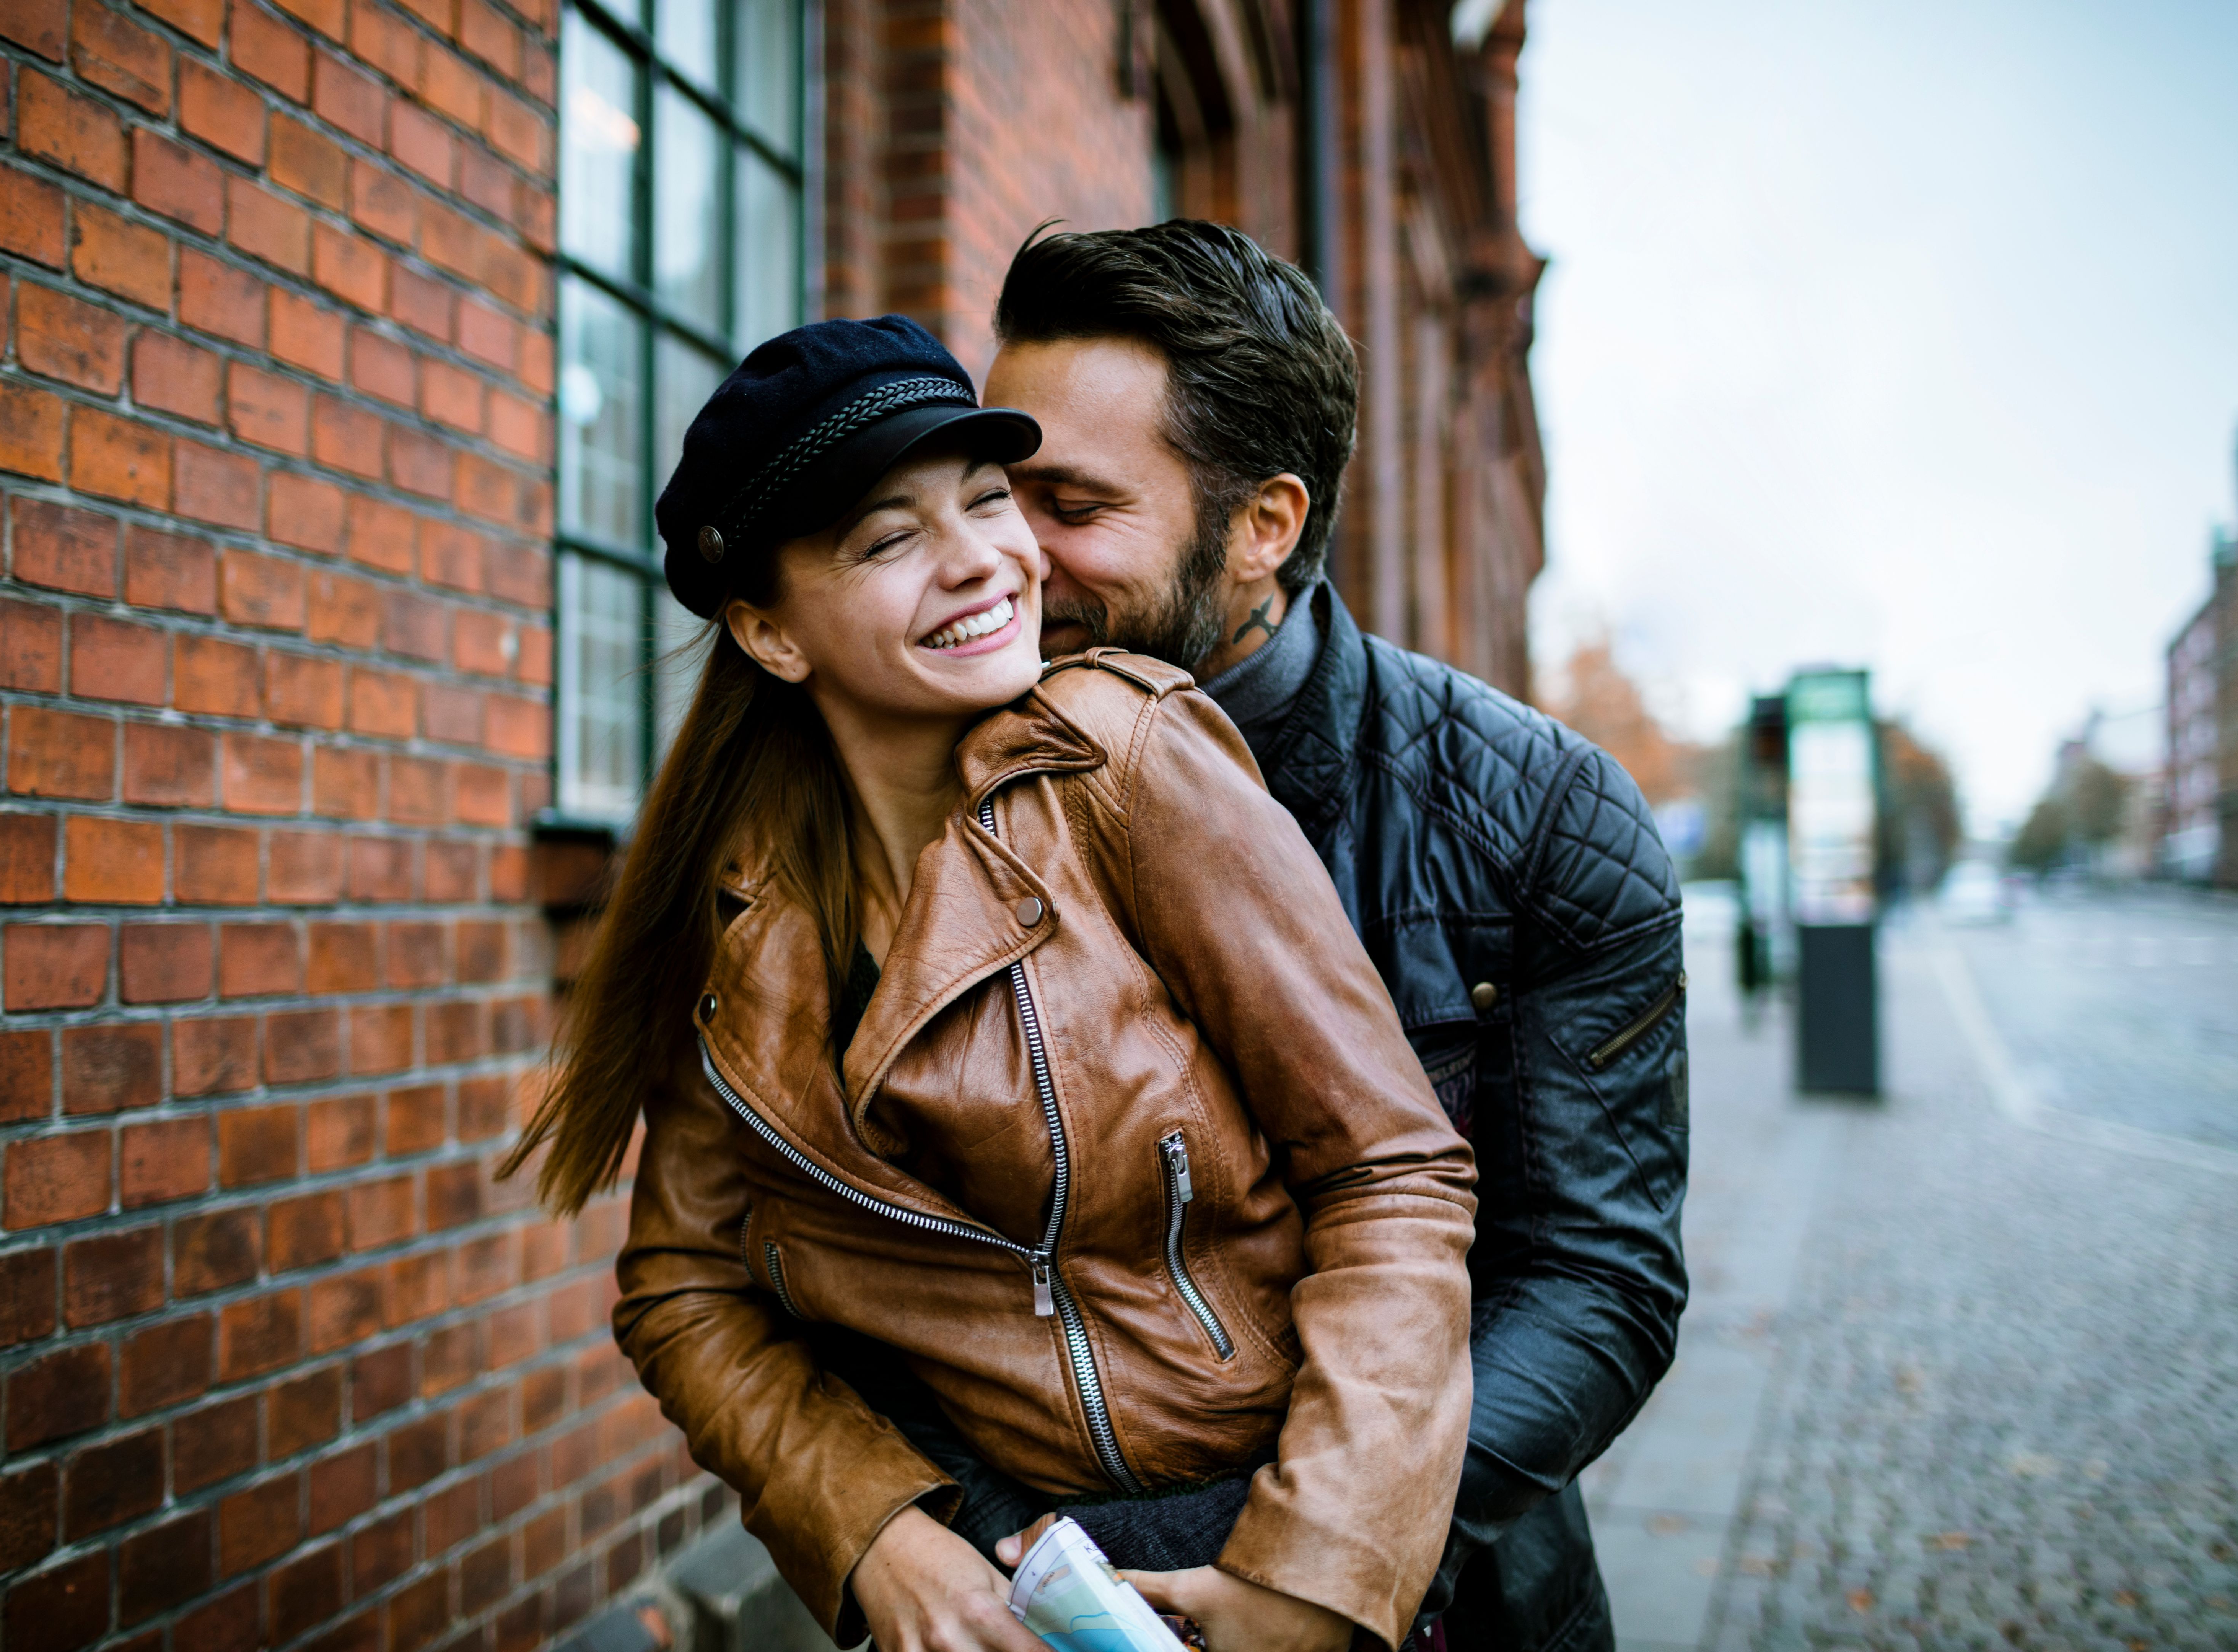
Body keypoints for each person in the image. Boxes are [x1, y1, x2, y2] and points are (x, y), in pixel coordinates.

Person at [506, 315, 1481, 1652]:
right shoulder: (738, 915)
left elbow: (1392, 1172)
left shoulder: (1124, 758)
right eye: (890, 538)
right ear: (771, 634)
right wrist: (872, 1533)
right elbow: (684, 1289)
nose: (984, 560)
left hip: (1248, 1537)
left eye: (985, 500)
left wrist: (1318, 1565)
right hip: (991, 1580)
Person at [971, 221, 1693, 1652]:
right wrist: (909, 1538)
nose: (1007, 558)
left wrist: (1327, 1552)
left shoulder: (1543, 817)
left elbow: (1596, 1279)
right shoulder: (913, 774)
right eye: (994, 494)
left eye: (1069, 504)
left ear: (1265, 527)